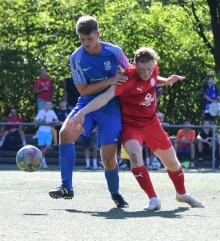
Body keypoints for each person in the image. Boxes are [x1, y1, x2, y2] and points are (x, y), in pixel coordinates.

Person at [70, 46, 204, 210]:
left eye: (149, 68)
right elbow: (105, 97)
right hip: (131, 127)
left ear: (154, 65)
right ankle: (153, 198)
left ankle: (181, 194)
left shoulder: (153, 71)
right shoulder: (127, 78)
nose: (146, 73)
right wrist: (82, 112)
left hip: (152, 124)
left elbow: (153, 80)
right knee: (134, 156)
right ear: (134, 64)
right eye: (141, 69)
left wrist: (167, 81)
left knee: (173, 163)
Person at [48, 15, 130, 208]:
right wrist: (109, 81)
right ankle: (66, 187)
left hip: (111, 107)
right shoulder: (76, 58)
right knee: (65, 133)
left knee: (108, 158)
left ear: (98, 34)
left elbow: (131, 74)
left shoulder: (115, 52)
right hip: (87, 103)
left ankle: (115, 194)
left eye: (89, 39)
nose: (85, 43)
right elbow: (83, 90)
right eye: (82, 39)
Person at [34, 101, 59, 168]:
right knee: (42, 147)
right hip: (42, 131)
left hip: (48, 131)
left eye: (49, 104)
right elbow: (35, 120)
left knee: (48, 147)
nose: (48, 106)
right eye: (47, 104)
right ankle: (44, 163)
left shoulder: (52, 112)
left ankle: (38, 158)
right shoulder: (41, 112)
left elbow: (57, 121)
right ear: (44, 105)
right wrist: (40, 121)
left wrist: (51, 122)